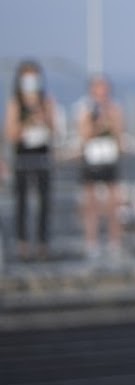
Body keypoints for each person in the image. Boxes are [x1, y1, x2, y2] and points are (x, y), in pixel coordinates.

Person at [5, 60, 60, 262]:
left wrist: (44, 116)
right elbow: (10, 133)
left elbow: (54, 130)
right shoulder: (15, 103)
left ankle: (43, 245)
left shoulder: (46, 101)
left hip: (42, 154)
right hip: (23, 155)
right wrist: (27, 121)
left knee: (44, 202)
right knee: (22, 201)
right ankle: (23, 245)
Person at [76, 73, 127, 263]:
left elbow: (119, 135)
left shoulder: (115, 109)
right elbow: (84, 135)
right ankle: (92, 243)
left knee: (114, 203)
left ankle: (114, 243)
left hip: (110, 159)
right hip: (91, 160)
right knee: (91, 204)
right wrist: (96, 122)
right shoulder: (84, 109)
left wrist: (110, 119)